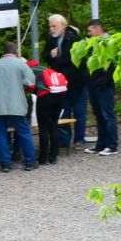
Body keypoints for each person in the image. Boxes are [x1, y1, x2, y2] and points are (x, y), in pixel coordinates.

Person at [0, 42, 37, 172]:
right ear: (16, 52)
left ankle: (5, 164)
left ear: (3, 52)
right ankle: (30, 162)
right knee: (24, 132)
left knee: (1, 134)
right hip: (17, 106)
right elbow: (31, 81)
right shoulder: (21, 64)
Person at [44, 14, 88, 147]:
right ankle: (64, 139)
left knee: (79, 111)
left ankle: (79, 139)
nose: (51, 29)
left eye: (54, 26)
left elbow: (68, 58)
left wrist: (55, 61)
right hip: (61, 84)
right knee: (64, 111)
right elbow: (45, 55)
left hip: (77, 82)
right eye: (50, 26)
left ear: (62, 26)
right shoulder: (51, 40)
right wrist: (50, 54)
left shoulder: (74, 39)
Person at [83, 20, 119, 155]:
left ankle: (112, 145)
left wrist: (103, 81)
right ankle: (101, 144)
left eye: (90, 31)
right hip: (93, 84)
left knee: (108, 115)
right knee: (98, 115)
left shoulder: (110, 43)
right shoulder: (93, 44)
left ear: (98, 29)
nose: (89, 34)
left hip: (104, 85)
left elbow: (113, 65)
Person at [28, 59, 68, 165]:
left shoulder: (29, 70)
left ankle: (43, 158)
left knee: (43, 127)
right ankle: (53, 156)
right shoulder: (44, 68)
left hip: (45, 97)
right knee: (54, 124)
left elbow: (31, 86)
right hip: (59, 95)